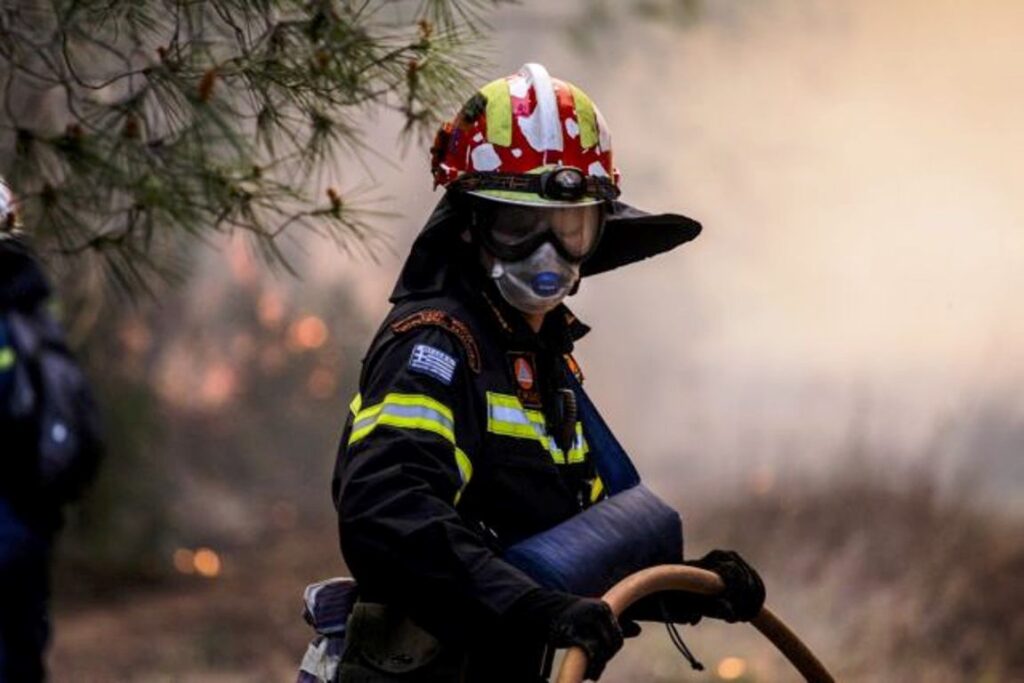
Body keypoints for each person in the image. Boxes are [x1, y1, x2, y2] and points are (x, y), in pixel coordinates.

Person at [331, 63, 763, 682]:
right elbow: (387, 509)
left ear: (597, 231)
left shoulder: (538, 363)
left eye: (568, 229)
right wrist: (534, 608)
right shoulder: (438, 344)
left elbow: (559, 551)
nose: (545, 256)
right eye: (517, 226)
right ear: (471, 223)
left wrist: (691, 591)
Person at [0, 178, 103, 682]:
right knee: (20, 648)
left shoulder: (18, 316)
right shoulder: (34, 306)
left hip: (12, 513)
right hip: (29, 515)